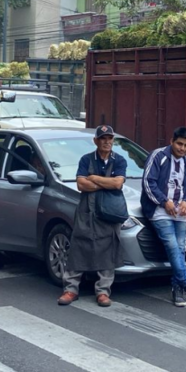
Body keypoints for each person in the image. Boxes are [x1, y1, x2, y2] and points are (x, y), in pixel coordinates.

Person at [58, 125, 126, 308]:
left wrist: (94, 178)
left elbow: (118, 183)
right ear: (95, 141)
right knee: (79, 245)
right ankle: (71, 289)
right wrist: (106, 182)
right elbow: (81, 184)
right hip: (86, 211)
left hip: (109, 212)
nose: (107, 142)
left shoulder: (119, 160)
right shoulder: (86, 159)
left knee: (107, 248)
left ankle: (103, 292)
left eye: (110, 138)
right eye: (103, 138)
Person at [143, 126, 186, 307]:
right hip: (159, 210)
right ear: (172, 141)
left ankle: (177, 288)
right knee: (172, 245)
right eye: (179, 144)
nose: (182, 148)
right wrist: (164, 202)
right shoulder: (158, 156)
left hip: (181, 213)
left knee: (180, 248)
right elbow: (149, 182)